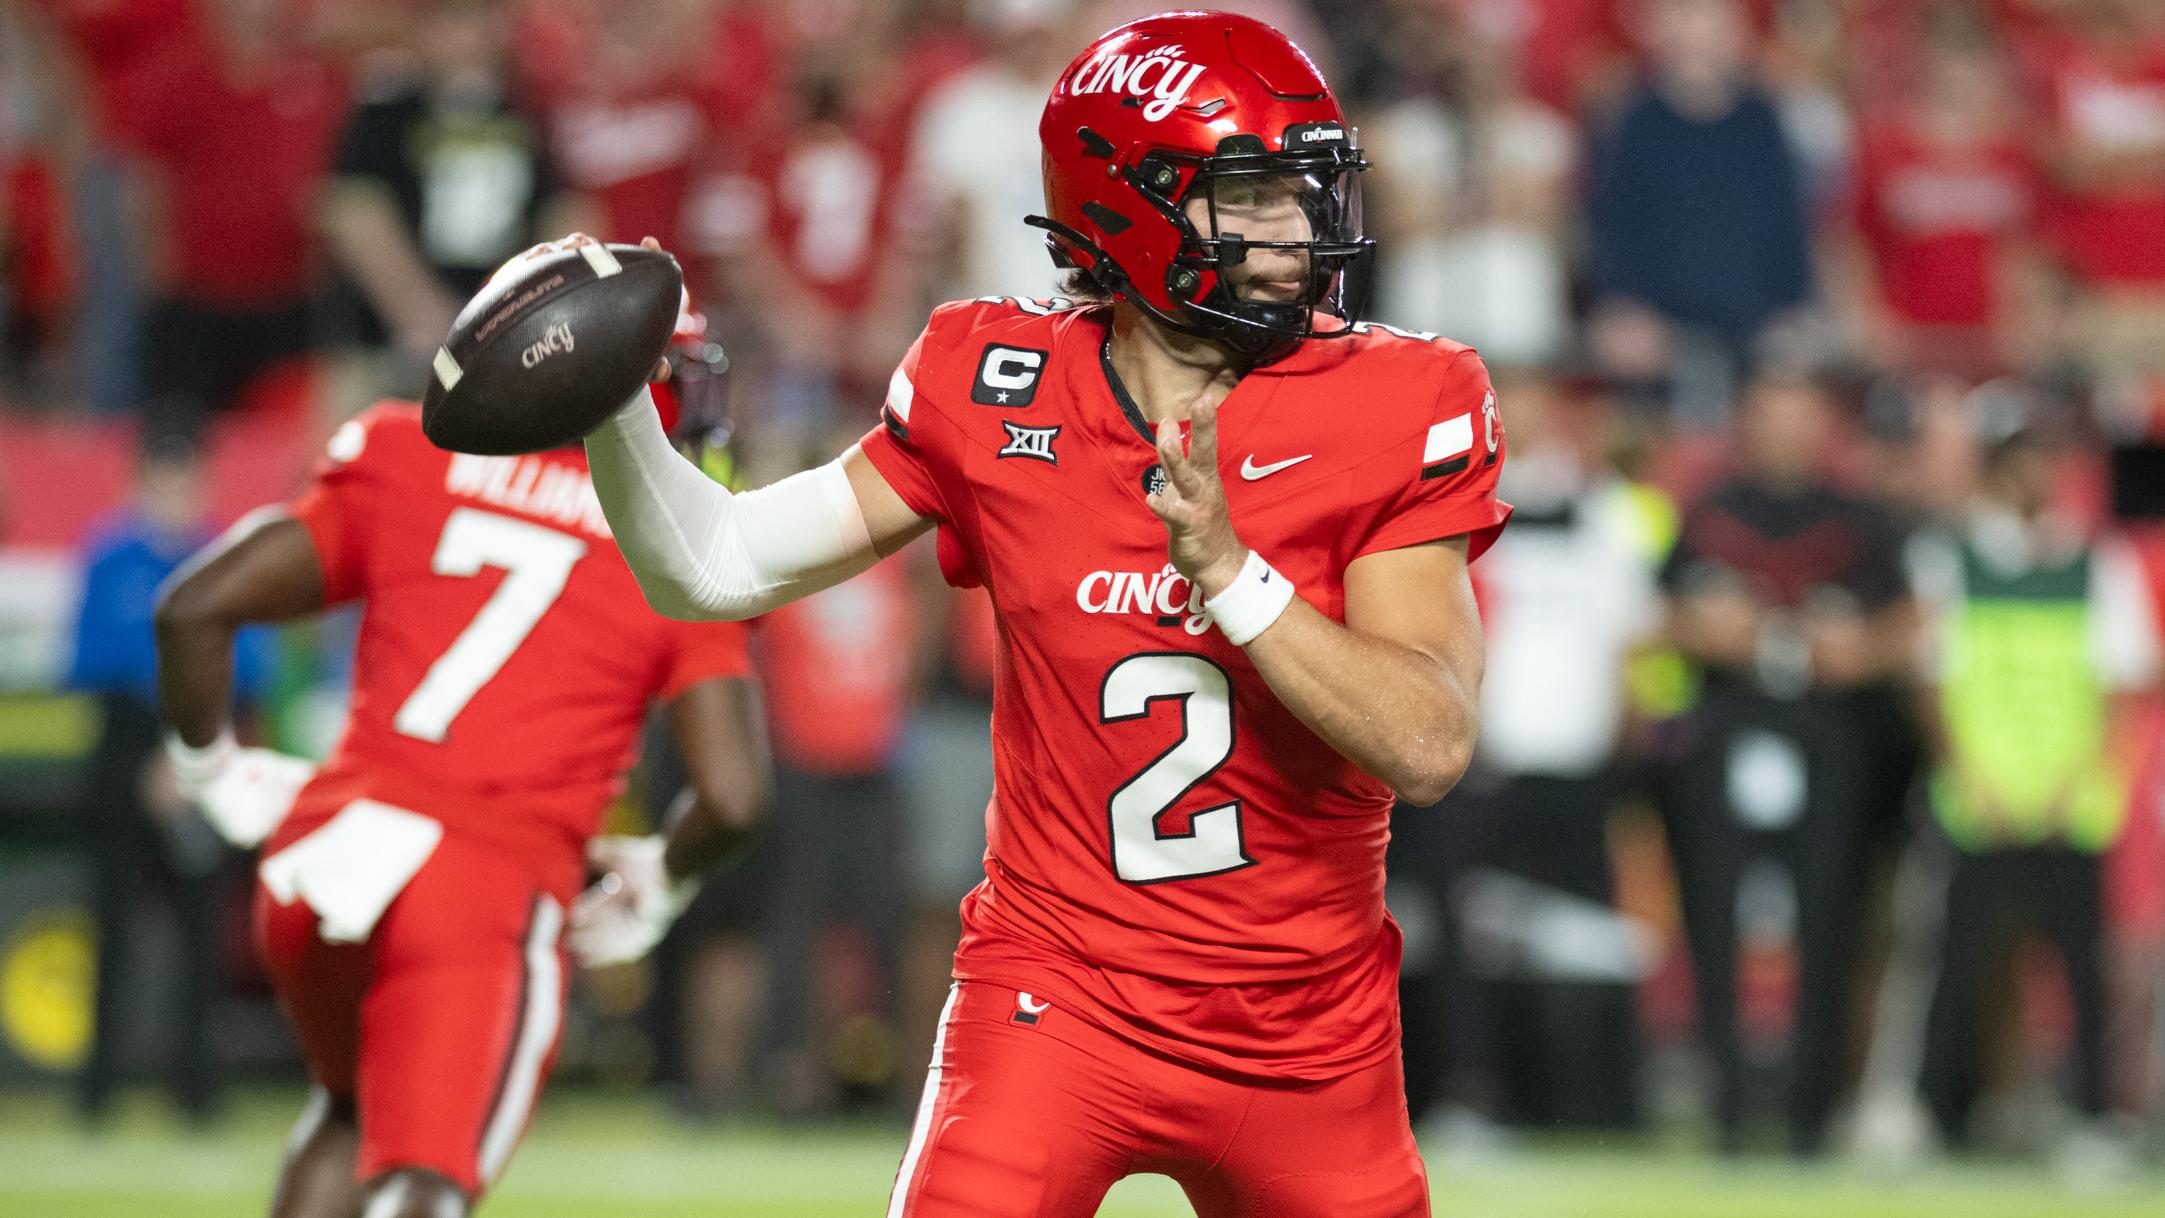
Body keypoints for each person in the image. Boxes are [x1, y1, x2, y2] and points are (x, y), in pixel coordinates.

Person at [578, 11, 1509, 1214]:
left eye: (1304, 189)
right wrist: (614, 415)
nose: (1299, 229)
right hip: (1054, 1002)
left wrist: (1230, 573)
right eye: (1254, 194)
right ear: (1126, 207)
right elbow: (714, 565)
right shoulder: (994, 381)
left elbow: (1428, 741)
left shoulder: (1400, 396)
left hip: (1306, 1035)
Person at [152, 325, 768, 1218]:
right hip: (483, 879)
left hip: (325, 852)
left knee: (348, 1108)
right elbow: (736, 796)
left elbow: (193, 609)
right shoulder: (673, 543)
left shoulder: (407, 448)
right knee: (426, 1178)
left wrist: (210, 772)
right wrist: (663, 882)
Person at [1657, 371, 1916, 1156]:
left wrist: (1858, 652)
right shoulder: (1709, 511)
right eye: (1771, 414)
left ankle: (1811, 1112)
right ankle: (1729, 1111)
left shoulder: (1862, 518)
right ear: (1745, 422)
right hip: (1725, 733)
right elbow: (1661, 607)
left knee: (1830, 922)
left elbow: (1905, 622)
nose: (1785, 431)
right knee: (1711, 918)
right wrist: (1709, 631)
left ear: (1823, 426)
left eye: (1801, 415)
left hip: (1830, 739)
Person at [1908, 397, 2156, 1175]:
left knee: (2082, 968)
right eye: (2019, 456)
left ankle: (2093, 1117)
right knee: (1958, 961)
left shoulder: (2096, 563)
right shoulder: (1950, 557)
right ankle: (1936, 1112)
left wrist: (2084, 781)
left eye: (2045, 456)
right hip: (1981, 800)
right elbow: (1930, 679)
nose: (2034, 473)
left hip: (2065, 803)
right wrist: (1966, 774)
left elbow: (2125, 685)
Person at [68, 440, 275, 1125]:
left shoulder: (221, 555)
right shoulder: (110, 557)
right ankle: (96, 1097)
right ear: (140, 482)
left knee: (201, 936)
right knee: (113, 930)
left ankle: (197, 1096)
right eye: (162, 481)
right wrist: (157, 754)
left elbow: (250, 665)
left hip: (204, 753)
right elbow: (90, 658)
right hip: (125, 754)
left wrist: (188, 756)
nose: (174, 495)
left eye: (184, 481)